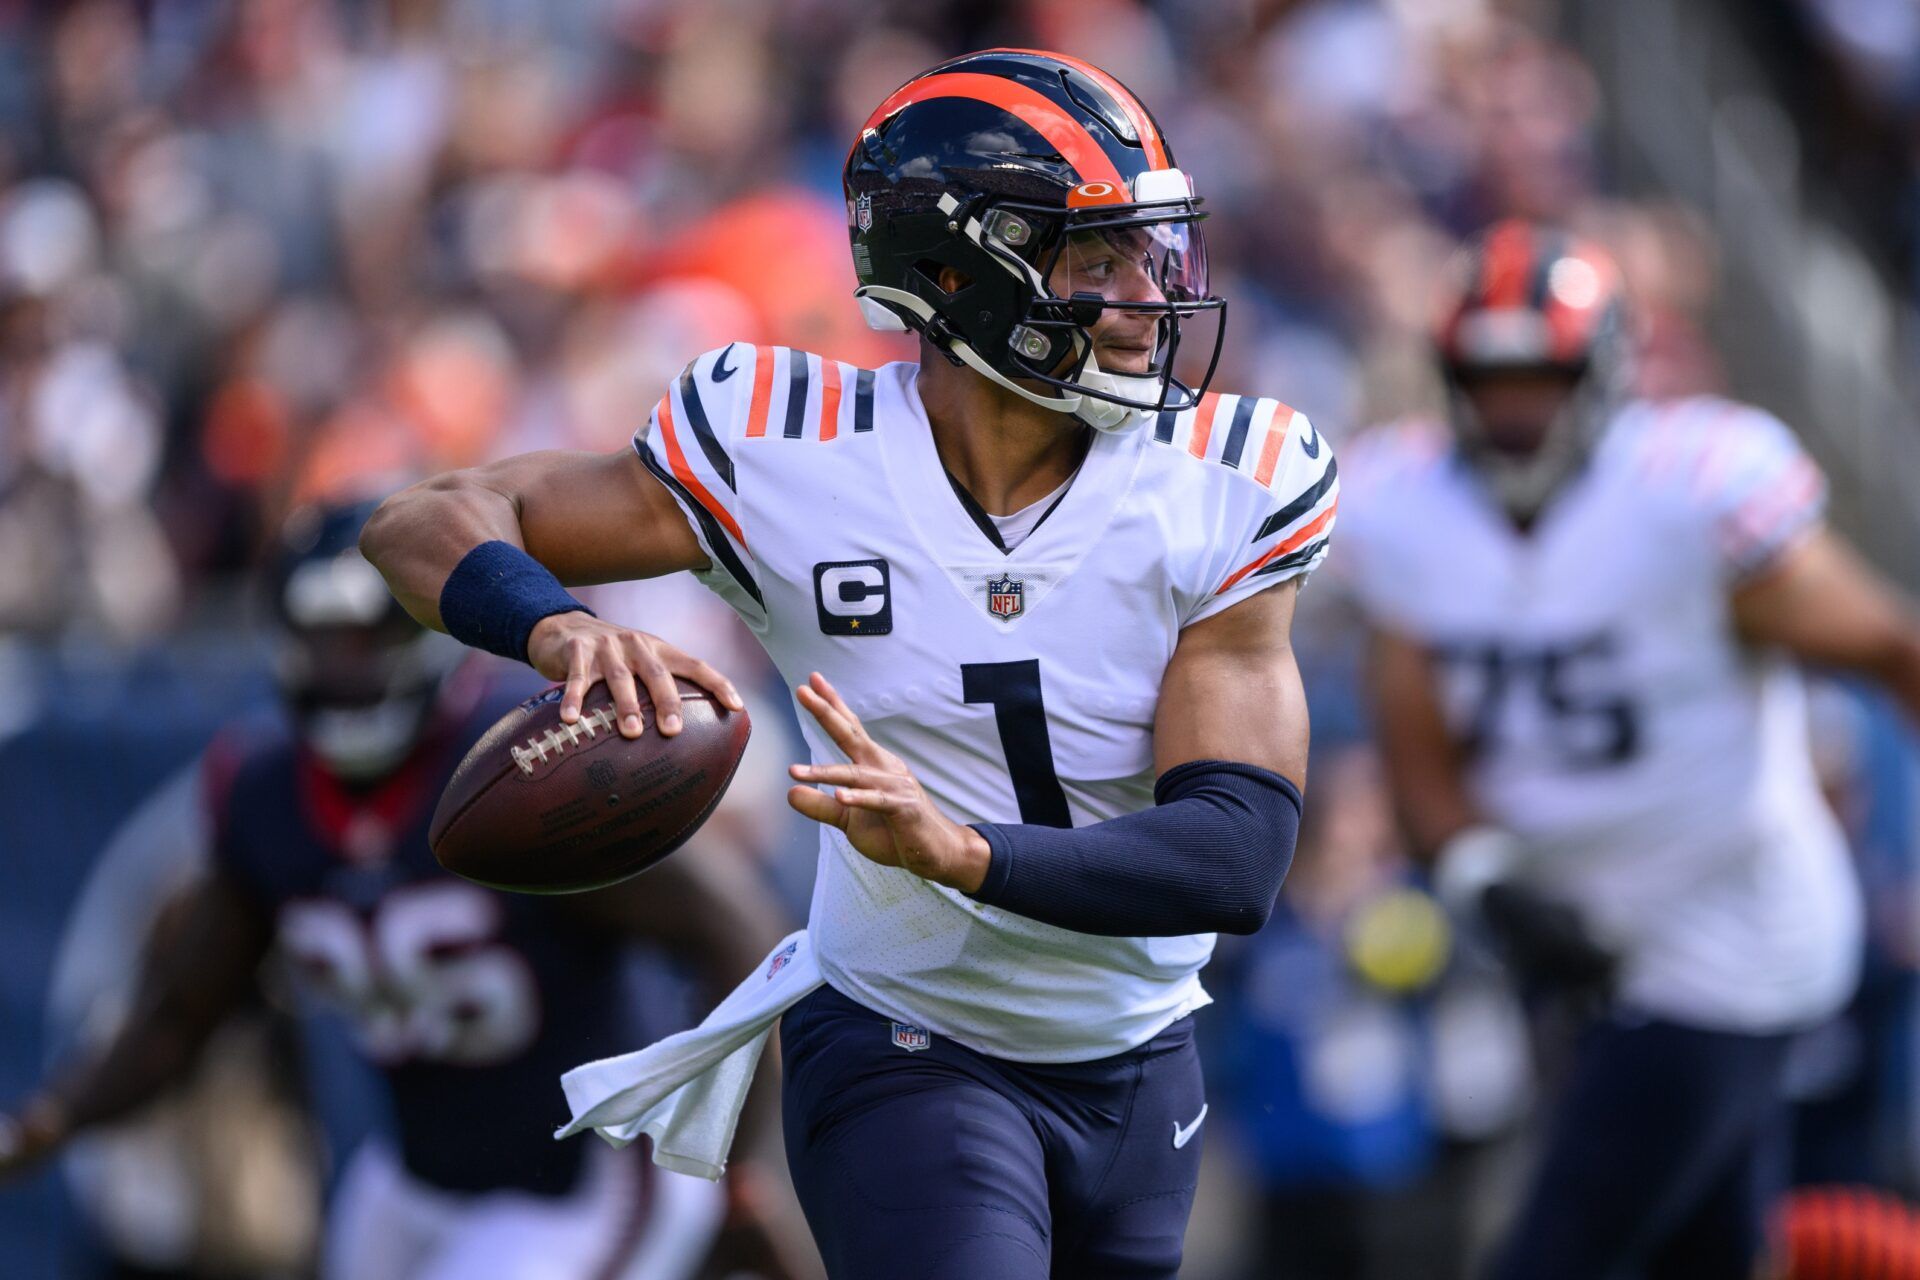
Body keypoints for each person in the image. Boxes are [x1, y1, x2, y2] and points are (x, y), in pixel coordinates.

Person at [358, 48, 1336, 1280]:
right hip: (904, 1037)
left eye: (1153, 252)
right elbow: (417, 520)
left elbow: (1234, 853)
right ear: (951, 276)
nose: (1149, 295)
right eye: (1096, 258)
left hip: (1140, 1061)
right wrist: (557, 626)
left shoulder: (1231, 478)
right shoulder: (788, 445)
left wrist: (961, 849)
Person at [0, 500, 797, 1280]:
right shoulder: (268, 795)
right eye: (320, 642)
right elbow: (179, 1014)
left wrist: (730, 1159)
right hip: (414, 1178)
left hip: (583, 1181)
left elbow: (736, 929)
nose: (341, 667)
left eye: (365, 638)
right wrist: (51, 1119)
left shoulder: (530, 773)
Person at [1337, 220, 1920, 1279]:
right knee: (1701, 1253)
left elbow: (1893, 647)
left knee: (1557, 1249)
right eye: (1488, 378)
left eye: (1540, 379)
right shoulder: (1404, 506)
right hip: (1578, 936)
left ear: (1600, 374)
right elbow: (1415, 741)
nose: (1513, 409)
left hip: (1728, 926)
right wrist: (1482, 872)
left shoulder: (1691, 488)